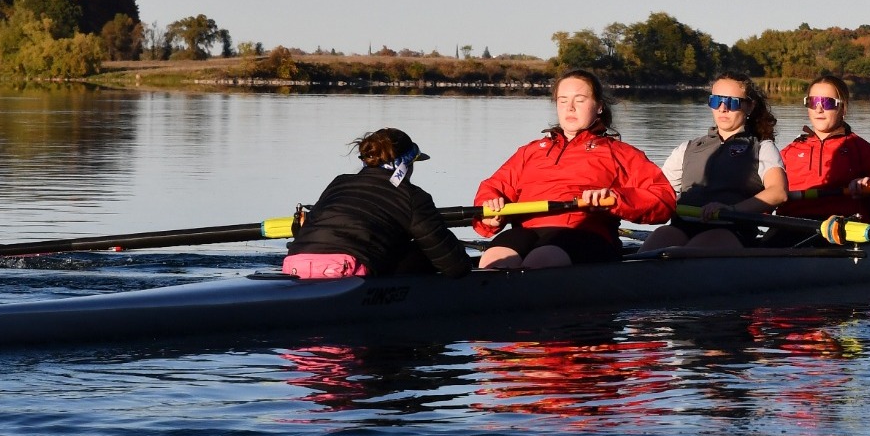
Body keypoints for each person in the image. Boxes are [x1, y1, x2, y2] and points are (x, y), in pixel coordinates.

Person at [474, 69, 676, 268]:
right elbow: (493, 187)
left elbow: (663, 199)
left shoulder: (621, 153)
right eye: (562, 101)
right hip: (527, 231)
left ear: (599, 107)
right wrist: (489, 213)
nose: (570, 108)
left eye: (579, 100)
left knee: (541, 259)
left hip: (586, 233)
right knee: (495, 259)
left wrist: (616, 199)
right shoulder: (530, 151)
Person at [283, 127, 471, 279]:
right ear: (405, 165)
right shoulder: (413, 197)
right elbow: (455, 267)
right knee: (421, 253)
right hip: (348, 271)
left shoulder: (339, 183)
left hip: (295, 264)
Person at [640, 72, 789, 251]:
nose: (722, 108)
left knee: (686, 256)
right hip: (682, 225)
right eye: (716, 101)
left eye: (732, 102)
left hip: (731, 227)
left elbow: (778, 192)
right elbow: (658, 191)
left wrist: (732, 210)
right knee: (652, 248)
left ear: (749, 106)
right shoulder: (687, 148)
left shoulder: (762, 148)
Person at [774, 74, 870, 228]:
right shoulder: (789, 152)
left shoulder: (861, 150)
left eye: (828, 103)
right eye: (813, 102)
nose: (819, 109)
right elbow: (762, 197)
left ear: (843, 108)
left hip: (842, 230)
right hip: (790, 228)